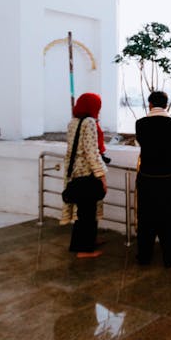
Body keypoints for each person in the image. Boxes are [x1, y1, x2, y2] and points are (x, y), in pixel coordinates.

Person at [135, 91, 171, 269]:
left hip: (146, 177)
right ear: (166, 105)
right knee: (169, 219)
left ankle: (144, 257)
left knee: (145, 218)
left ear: (150, 104)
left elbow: (142, 143)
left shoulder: (140, 123)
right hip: (167, 178)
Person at [63, 93, 107, 258]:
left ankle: (89, 241)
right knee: (87, 212)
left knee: (85, 211)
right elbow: (91, 152)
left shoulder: (73, 122)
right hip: (87, 173)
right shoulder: (89, 123)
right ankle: (83, 250)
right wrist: (101, 176)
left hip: (75, 172)